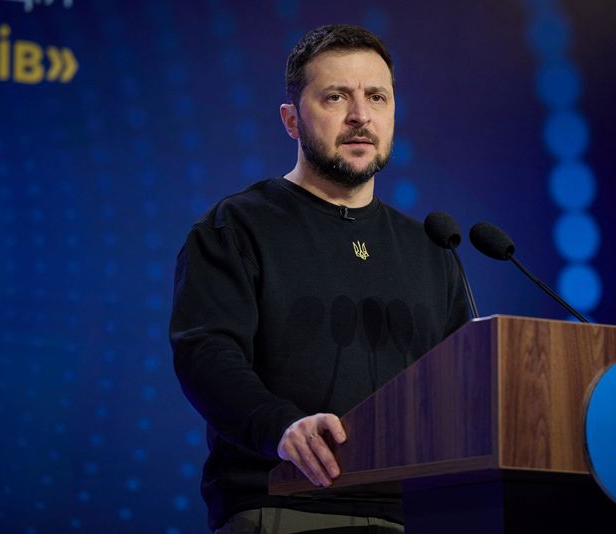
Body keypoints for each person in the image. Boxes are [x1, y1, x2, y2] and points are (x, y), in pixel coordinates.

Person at [169, 24, 470, 533]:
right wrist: (280, 426)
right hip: (284, 505)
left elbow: (464, 376)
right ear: (291, 120)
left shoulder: (430, 248)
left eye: (377, 97)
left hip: (412, 516)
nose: (360, 115)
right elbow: (207, 354)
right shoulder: (237, 227)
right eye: (336, 97)